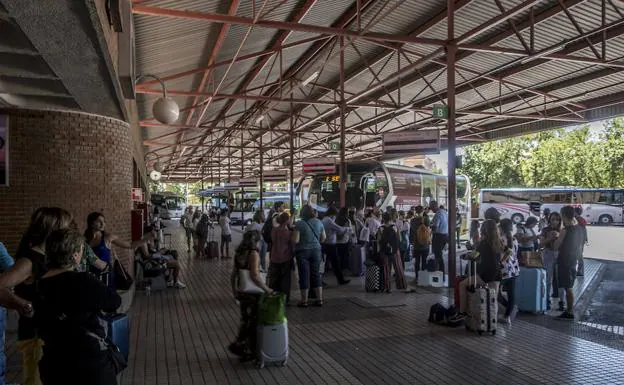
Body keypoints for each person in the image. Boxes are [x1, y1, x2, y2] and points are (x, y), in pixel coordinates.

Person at [34, 228, 121, 385]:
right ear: (74, 255)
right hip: (87, 359)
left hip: (53, 360)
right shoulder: (83, 280)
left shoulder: (38, 284)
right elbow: (113, 302)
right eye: (81, 250)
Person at [0, 207, 73, 385]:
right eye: (66, 227)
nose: (69, 231)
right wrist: (21, 304)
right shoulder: (29, 260)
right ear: (53, 229)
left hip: (49, 336)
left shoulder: (48, 257)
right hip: (35, 338)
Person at [229, 231, 273, 362]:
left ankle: (243, 346)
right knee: (253, 321)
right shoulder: (253, 254)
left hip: (242, 290)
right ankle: (243, 346)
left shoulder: (239, 253)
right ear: (257, 241)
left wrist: (234, 291)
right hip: (253, 293)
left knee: (246, 319)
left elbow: (233, 274)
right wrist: (267, 289)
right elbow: (254, 275)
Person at [84, 212, 151, 289]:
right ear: (92, 223)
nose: (103, 224)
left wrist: (145, 240)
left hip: (106, 276)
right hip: (90, 276)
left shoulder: (107, 237)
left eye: (104, 221)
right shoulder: (85, 239)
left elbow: (130, 245)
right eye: (99, 221)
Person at [458, 219, 503, 317]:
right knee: (493, 298)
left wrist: (465, 256)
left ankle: (462, 312)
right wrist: (501, 263)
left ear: (484, 229)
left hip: (485, 274)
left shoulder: (484, 243)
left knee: (462, 284)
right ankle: (492, 323)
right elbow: (507, 252)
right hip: (497, 274)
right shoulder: (499, 242)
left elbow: (474, 255)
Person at [553, 206, 586, 320]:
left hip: (564, 261)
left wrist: (556, 237)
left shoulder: (565, 230)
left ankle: (569, 311)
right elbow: (580, 246)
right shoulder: (579, 229)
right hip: (573, 260)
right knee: (569, 286)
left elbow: (556, 246)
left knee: (568, 287)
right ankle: (569, 309)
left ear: (563, 215)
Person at [293, 205, 326, 307]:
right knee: (316, 274)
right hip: (316, 251)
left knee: (304, 275)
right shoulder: (319, 222)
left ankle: (304, 300)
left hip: (302, 252)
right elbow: (323, 238)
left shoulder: (299, 224)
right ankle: (319, 299)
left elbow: (296, 240)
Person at [378, 212, 407, 293]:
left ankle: (387, 288)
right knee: (398, 267)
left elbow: (379, 240)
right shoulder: (395, 227)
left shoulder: (380, 228)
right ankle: (402, 285)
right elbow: (399, 239)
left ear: (383, 219)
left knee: (386, 269)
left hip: (384, 251)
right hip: (395, 251)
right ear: (390, 218)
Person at [269, 212, 295, 304]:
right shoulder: (288, 233)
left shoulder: (274, 230)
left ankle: (274, 297)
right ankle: (285, 299)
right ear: (287, 220)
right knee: (285, 280)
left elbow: (272, 241)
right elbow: (293, 244)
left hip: (274, 257)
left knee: (274, 279)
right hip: (285, 257)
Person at [322, 207, 351, 286]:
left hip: (325, 244)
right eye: (335, 215)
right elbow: (340, 229)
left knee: (324, 263)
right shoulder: (329, 220)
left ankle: (320, 280)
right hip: (330, 245)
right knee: (335, 263)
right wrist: (348, 229)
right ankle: (340, 280)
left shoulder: (325, 219)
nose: (335, 217)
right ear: (332, 214)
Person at [540, 212, 562, 310]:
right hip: (548, 254)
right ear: (549, 220)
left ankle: (562, 302)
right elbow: (540, 244)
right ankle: (546, 300)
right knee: (547, 279)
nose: (555, 221)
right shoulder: (545, 230)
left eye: (557, 219)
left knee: (560, 280)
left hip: (560, 255)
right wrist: (550, 239)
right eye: (553, 219)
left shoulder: (562, 230)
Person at [499, 219, 519, 324]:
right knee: (511, 293)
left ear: (501, 228)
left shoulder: (501, 239)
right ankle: (508, 314)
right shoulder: (514, 239)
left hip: (504, 270)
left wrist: (501, 261)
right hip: (514, 269)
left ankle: (510, 309)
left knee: (496, 293)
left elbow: (508, 252)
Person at [429, 200, 449, 274]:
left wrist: (430, 226)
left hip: (438, 236)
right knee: (439, 255)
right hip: (445, 235)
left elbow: (435, 227)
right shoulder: (444, 212)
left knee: (438, 255)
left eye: (431, 207)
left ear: (434, 206)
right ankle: (440, 272)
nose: (431, 209)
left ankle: (440, 272)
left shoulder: (437, 214)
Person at [574, 206, 588, 276]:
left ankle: (579, 271)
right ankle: (580, 271)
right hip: (581, 241)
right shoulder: (581, 220)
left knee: (578, 256)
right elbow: (585, 231)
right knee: (579, 256)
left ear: (575, 212)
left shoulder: (576, 220)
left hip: (578, 241)